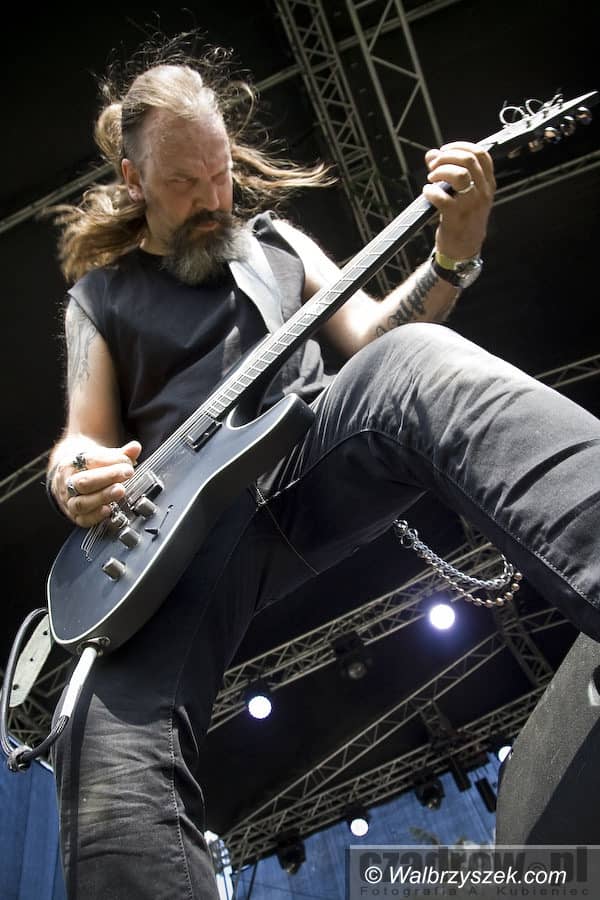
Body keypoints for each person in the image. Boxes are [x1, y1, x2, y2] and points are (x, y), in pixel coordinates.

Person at [45, 43, 600, 900]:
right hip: (179, 536)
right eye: (184, 182)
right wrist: (76, 474)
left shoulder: (272, 242)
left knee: (415, 361)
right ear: (133, 178)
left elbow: (372, 341)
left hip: (308, 455)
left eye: (220, 173)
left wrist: (452, 255)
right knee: (105, 753)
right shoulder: (99, 298)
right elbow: (81, 439)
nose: (212, 199)